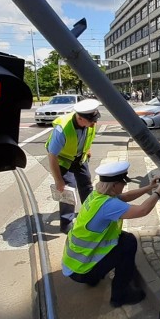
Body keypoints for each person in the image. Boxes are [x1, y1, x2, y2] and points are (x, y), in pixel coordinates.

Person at [61, 160, 160, 307]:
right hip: (82, 270)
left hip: (74, 265)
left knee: (122, 239)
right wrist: (158, 192)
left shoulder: (97, 196)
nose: (124, 185)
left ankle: (94, 277)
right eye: (122, 183)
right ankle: (121, 295)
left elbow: (126, 196)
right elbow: (142, 210)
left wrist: (149, 187)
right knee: (128, 242)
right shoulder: (108, 205)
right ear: (114, 186)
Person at [46, 98, 101, 233]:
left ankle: (89, 214)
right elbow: (52, 156)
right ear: (80, 118)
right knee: (67, 190)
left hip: (80, 158)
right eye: (91, 121)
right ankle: (66, 224)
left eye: (95, 120)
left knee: (86, 185)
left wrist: (87, 149)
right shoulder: (62, 129)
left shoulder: (89, 124)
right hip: (63, 160)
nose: (94, 124)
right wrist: (58, 180)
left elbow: (87, 137)